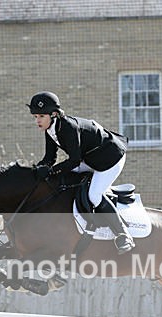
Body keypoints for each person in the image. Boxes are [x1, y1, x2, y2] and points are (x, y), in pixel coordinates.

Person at [27, 91, 135, 254]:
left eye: (41, 116)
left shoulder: (69, 128)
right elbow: (49, 158)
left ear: (54, 114)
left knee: (95, 195)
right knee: (62, 179)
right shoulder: (51, 130)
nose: (37, 120)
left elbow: (74, 161)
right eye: (35, 117)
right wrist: (36, 172)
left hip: (110, 159)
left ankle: (123, 235)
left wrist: (51, 170)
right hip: (90, 158)